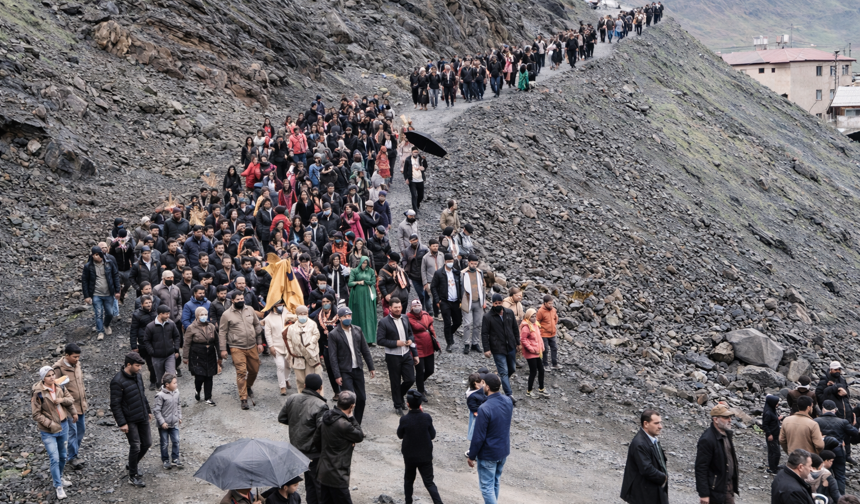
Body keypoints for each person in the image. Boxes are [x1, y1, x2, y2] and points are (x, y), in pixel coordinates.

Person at [278, 373, 328, 504]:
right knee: (319, 485)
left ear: (304, 385)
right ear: (320, 387)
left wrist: (298, 423)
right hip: (314, 452)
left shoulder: (292, 398)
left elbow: (282, 418)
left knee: (309, 483)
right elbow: (322, 430)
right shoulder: (321, 405)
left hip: (296, 450)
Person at [466, 374, 513, 504]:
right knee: (495, 482)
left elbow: (478, 436)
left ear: (487, 386)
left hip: (488, 453)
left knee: (487, 487)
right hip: (502, 450)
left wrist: (471, 455)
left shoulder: (484, 408)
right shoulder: (508, 401)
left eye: (483, 384)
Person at [32, 366, 76, 500]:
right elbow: (36, 414)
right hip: (48, 431)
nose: (52, 377)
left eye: (53, 374)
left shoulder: (60, 387)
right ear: (43, 378)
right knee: (54, 458)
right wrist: (50, 424)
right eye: (49, 376)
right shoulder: (38, 393)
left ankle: (60, 478)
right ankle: (58, 486)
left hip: (63, 426)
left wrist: (69, 408)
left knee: (63, 456)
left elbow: (70, 400)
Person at [109, 352, 152, 488]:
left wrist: (148, 410)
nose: (140, 368)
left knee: (147, 443)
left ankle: (131, 464)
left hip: (142, 415)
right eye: (137, 365)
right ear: (128, 365)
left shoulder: (138, 376)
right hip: (130, 419)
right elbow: (115, 404)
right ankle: (132, 475)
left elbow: (142, 395)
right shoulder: (117, 381)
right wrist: (122, 422)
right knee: (136, 446)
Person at [314, 390, 365, 504]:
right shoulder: (344, 424)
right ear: (352, 406)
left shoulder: (326, 417)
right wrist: (351, 417)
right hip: (338, 474)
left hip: (323, 471)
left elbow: (316, 440)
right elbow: (359, 435)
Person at [327, 307, 376, 424]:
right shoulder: (334, 334)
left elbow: (365, 350)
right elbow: (332, 357)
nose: (348, 318)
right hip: (344, 371)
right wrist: (337, 375)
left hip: (357, 368)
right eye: (345, 316)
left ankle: (357, 423)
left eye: (349, 316)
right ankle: (347, 423)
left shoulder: (357, 330)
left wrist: (371, 367)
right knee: (348, 399)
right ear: (339, 318)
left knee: (362, 398)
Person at [219, 291, 264, 410]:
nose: (240, 301)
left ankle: (248, 386)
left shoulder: (250, 310)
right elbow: (222, 332)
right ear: (232, 300)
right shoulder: (226, 314)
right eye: (238, 299)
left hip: (252, 345)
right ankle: (243, 398)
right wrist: (223, 349)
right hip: (236, 347)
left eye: (242, 298)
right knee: (241, 372)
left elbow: (257, 326)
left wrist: (259, 342)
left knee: (254, 370)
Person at [397, 390, 443, 504]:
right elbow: (432, 435)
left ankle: (408, 501)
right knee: (429, 482)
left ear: (408, 404)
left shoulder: (404, 419)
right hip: (425, 456)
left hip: (410, 457)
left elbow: (399, 435)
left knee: (408, 480)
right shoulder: (426, 417)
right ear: (420, 404)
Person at [378, 298, 419, 416]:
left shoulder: (405, 318)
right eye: (395, 307)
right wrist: (396, 343)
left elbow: (411, 334)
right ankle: (397, 405)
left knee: (410, 379)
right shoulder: (384, 322)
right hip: (393, 356)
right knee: (395, 381)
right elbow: (380, 340)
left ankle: (399, 396)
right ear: (390, 308)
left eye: (399, 307)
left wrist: (414, 351)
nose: (398, 309)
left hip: (406, 354)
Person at [620, 409, 668, 504]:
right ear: (646, 424)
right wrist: (663, 478)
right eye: (656, 423)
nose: (660, 427)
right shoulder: (640, 444)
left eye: (660, 423)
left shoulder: (651, 439)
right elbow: (646, 469)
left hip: (649, 491)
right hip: (643, 495)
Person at [51, 344, 87, 471]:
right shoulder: (58, 368)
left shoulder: (77, 365)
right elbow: (55, 388)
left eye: (78, 357)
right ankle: (72, 457)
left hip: (81, 405)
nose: (77, 359)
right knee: (73, 432)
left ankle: (72, 453)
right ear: (66, 355)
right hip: (69, 408)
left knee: (81, 430)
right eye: (74, 357)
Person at [695, 404, 739, 504]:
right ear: (715, 419)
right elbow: (701, 468)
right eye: (725, 417)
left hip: (726, 487)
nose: (730, 420)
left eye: (730, 417)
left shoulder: (726, 434)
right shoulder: (707, 439)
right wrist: (704, 494)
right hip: (716, 490)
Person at [815, 399, 859, 494]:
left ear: (823, 409)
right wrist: (855, 424)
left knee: (822, 474)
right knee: (840, 475)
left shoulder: (816, 421)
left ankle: (824, 496)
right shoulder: (843, 422)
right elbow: (855, 433)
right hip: (838, 450)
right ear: (835, 410)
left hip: (822, 451)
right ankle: (841, 498)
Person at [481, 294, 519, 402]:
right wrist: (486, 349)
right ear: (492, 304)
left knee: (512, 368)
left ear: (502, 302)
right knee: (504, 371)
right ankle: (509, 394)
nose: (498, 305)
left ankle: (498, 380)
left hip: (510, 345)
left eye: (500, 303)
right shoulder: (488, 317)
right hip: (497, 348)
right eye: (496, 303)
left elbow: (515, 328)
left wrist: (518, 342)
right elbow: (484, 334)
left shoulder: (509, 313)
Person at [182, 306, 220, 406]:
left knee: (209, 376)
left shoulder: (211, 326)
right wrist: (185, 357)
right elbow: (186, 344)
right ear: (197, 316)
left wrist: (220, 355)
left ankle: (208, 397)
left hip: (210, 353)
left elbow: (217, 341)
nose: (204, 316)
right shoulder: (191, 328)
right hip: (197, 354)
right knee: (199, 376)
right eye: (201, 315)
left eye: (205, 314)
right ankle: (197, 390)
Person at [81, 245, 120, 340]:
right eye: (95, 255)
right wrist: (86, 296)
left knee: (110, 313)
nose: (97, 256)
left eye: (99, 254)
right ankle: (100, 332)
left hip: (108, 293)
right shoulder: (88, 266)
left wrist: (117, 290)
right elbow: (84, 281)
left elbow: (115, 276)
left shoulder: (109, 263)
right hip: (96, 294)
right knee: (98, 313)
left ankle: (106, 325)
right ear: (92, 255)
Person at [407, 300, 440, 399]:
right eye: (415, 305)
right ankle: (420, 390)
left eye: (419, 305)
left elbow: (431, 329)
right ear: (411, 307)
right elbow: (413, 329)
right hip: (418, 348)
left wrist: (436, 342)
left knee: (430, 370)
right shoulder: (407, 318)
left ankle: (419, 382)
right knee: (420, 370)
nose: (417, 307)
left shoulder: (425, 314)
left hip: (428, 346)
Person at [286, 305, 323, 392]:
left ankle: (315, 398)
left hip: (311, 356)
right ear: (297, 315)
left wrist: (310, 344)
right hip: (298, 357)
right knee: (300, 380)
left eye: (305, 313)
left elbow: (316, 334)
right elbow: (289, 340)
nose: (303, 315)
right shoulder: (291, 328)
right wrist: (291, 352)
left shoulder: (312, 324)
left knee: (312, 380)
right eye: (300, 314)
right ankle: (301, 398)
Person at [431, 253, 462, 353]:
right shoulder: (439, 273)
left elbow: (460, 286)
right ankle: (449, 343)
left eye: (451, 261)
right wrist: (437, 299)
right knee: (447, 322)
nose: (450, 263)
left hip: (456, 301)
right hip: (444, 301)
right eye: (448, 261)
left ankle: (449, 333)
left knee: (458, 321)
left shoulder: (456, 273)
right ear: (445, 262)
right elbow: (433, 287)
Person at [143, 305, 181, 384]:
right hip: (157, 357)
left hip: (170, 355)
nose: (168, 316)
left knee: (171, 376)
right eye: (166, 314)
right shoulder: (150, 326)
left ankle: (172, 394)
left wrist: (176, 349)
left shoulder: (171, 324)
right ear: (160, 314)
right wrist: (152, 352)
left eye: (168, 314)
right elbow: (146, 341)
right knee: (160, 379)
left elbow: (177, 336)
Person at [264, 299, 294, 395]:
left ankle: (286, 379)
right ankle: (282, 386)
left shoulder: (289, 314)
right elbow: (267, 334)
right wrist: (271, 346)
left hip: (289, 346)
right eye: (278, 305)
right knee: (280, 366)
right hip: (276, 346)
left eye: (282, 304)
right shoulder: (269, 318)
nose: (280, 306)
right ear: (274, 306)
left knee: (288, 365)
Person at [154, 373, 182, 470]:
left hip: (174, 423)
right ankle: (165, 460)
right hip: (164, 425)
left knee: (176, 441)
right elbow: (156, 411)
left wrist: (179, 417)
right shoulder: (160, 396)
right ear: (167, 384)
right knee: (164, 443)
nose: (176, 385)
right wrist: (162, 422)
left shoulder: (177, 393)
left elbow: (178, 405)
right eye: (174, 383)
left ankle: (175, 458)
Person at [347, 256, 377, 343]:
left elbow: (373, 282)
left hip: (368, 294)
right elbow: (350, 283)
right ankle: (358, 338)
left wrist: (365, 282)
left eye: (366, 263)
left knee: (368, 314)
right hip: (357, 294)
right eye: (363, 263)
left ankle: (370, 338)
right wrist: (358, 282)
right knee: (359, 314)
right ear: (360, 262)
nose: (365, 264)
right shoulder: (354, 271)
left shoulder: (371, 271)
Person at [519, 309, 547, 398]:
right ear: (528, 317)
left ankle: (541, 389)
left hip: (537, 352)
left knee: (541, 370)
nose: (534, 318)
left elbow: (539, 338)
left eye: (535, 316)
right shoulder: (526, 327)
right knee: (533, 372)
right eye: (532, 317)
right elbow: (523, 339)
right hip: (531, 353)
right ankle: (529, 391)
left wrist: (541, 347)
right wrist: (531, 349)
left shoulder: (535, 325)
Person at [461, 255, 486, 354]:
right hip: (467, 301)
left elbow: (483, 287)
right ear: (468, 262)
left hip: (478, 301)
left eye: (476, 264)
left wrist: (484, 300)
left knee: (478, 324)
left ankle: (475, 343)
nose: (474, 265)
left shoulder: (480, 273)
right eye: (472, 263)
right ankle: (466, 344)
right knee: (467, 324)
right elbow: (460, 287)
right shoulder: (463, 273)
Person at [536, 295, 560, 370]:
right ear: (545, 303)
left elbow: (556, 318)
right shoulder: (540, 311)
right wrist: (541, 330)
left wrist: (553, 326)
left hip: (552, 333)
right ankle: (545, 364)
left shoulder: (553, 310)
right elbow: (537, 321)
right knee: (545, 349)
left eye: (552, 303)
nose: (551, 305)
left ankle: (554, 364)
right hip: (544, 334)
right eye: (549, 303)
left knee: (554, 348)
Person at [762, 395, 783, 474]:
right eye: (776, 403)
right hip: (772, 435)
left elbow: (772, 420)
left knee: (772, 451)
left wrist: (777, 419)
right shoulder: (768, 412)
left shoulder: (772, 410)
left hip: (775, 433)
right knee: (776, 452)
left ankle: (773, 466)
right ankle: (773, 468)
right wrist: (769, 434)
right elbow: (765, 425)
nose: (777, 405)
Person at [466, 373, 486, 441]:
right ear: (476, 384)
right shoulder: (472, 395)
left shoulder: (477, 392)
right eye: (481, 382)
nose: (483, 383)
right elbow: (472, 406)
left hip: (479, 412)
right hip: (476, 414)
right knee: (474, 429)